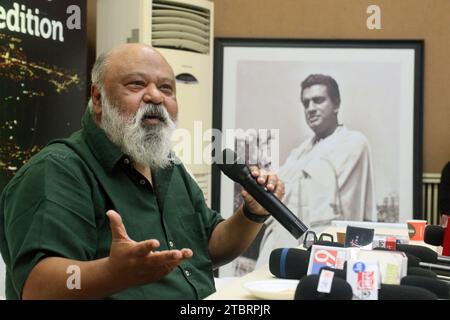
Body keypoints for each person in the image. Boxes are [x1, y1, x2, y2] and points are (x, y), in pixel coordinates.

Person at [0, 43, 285, 300]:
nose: (155, 97)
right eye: (136, 85)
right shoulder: (57, 170)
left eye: (166, 88)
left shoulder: (166, 165)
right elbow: (37, 287)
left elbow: (209, 247)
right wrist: (113, 272)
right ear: (98, 99)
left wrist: (252, 213)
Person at [256, 74, 375, 267]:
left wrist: (284, 184)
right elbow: (277, 190)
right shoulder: (300, 151)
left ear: (336, 105)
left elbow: (301, 192)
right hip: (281, 240)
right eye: (306, 103)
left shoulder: (353, 142)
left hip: (321, 246)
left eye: (318, 100)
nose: (310, 108)